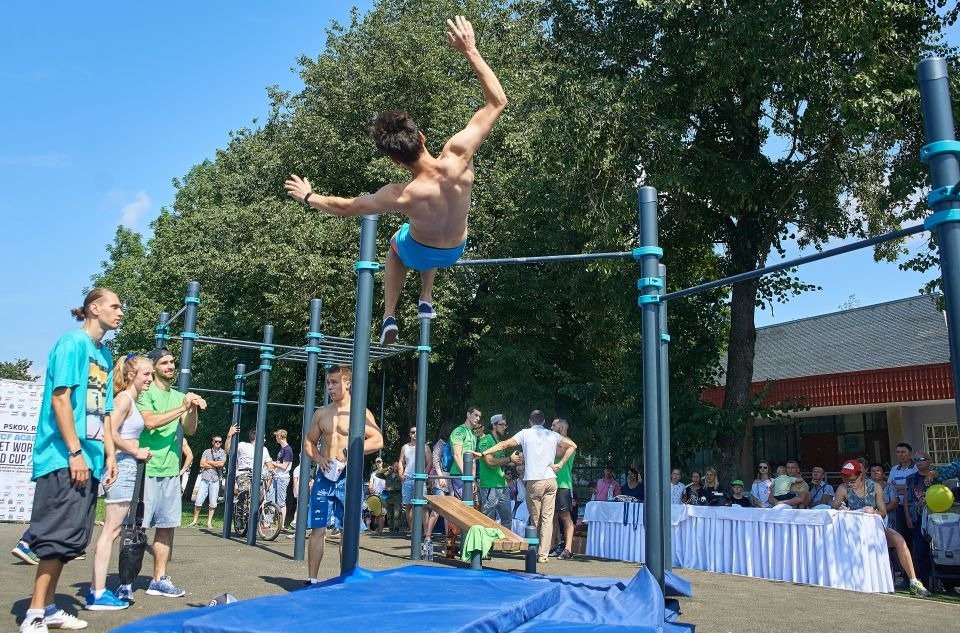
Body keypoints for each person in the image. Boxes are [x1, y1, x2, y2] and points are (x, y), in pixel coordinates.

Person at [284, 15, 508, 345]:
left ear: (395, 160)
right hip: (455, 250)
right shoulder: (460, 154)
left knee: (398, 243)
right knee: (421, 233)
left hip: (420, 252)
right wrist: (470, 51)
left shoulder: (401, 194)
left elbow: (346, 207)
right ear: (423, 137)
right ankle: (425, 297)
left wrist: (308, 196)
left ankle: (389, 314)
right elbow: (498, 101)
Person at [20, 288, 122, 633]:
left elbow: (105, 411)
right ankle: (35, 613)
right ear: (94, 308)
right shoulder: (72, 344)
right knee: (55, 538)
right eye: (114, 306)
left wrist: (110, 454)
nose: (120, 312)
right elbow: (60, 399)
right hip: (63, 457)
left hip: (90, 459)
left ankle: (48, 608)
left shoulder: (104, 354)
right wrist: (74, 452)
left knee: (71, 539)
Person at [135, 347, 207, 599]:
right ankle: (125, 579)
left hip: (169, 470)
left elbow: (190, 429)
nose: (170, 366)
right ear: (154, 368)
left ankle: (159, 579)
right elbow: (149, 422)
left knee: (166, 527)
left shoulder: (178, 396)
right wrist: (182, 407)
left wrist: (192, 407)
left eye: (172, 362)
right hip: (146, 468)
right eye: (164, 363)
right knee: (136, 528)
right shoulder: (145, 392)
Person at [87, 354, 155, 611]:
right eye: (146, 374)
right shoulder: (124, 399)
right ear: (130, 375)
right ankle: (97, 592)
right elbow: (109, 432)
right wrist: (135, 450)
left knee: (114, 530)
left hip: (128, 465)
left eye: (151, 374)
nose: (150, 379)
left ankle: (98, 591)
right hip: (122, 466)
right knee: (111, 531)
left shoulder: (131, 400)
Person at [304, 365, 383, 584]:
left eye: (334, 382)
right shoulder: (322, 413)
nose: (330, 387)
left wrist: (349, 451)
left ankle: (345, 580)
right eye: (328, 383)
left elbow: (378, 440)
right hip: (325, 476)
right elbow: (309, 442)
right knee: (317, 527)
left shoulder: (360, 413)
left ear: (347, 384)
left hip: (349, 477)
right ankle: (312, 580)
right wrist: (318, 458)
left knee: (348, 530)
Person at [476, 410, 576, 564]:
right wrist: (561, 464)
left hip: (534, 481)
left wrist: (483, 453)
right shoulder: (551, 435)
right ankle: (543, 555)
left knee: (535, 519)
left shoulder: (525, 433)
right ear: (543, 422)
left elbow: (504, 444)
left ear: (530, 421)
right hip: (551, 480)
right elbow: (573, 445)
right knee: (548, 519)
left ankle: (534, 551)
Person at [833, 459, 931, 597]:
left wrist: (873, 511)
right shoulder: (843, 488)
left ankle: (913, 581)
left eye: (852, 478)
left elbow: (883, 512)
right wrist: (841, 507)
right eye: (846, 477)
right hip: (852, 531)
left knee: (899, 540)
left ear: (860, 475)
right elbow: (835, 507)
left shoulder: (874, 487)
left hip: (874, 528)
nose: (849, 481)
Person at [478, 414, 516, 531]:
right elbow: (490, 462)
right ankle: (487, 542)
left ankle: (505, 542)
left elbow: (499, 463)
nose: (504, 427)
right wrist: (509, 459)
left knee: (507, 519)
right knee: (488, 519)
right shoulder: (485, 441)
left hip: (502, 485)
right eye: (501, 425)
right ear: (494, 425)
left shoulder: (500, 442)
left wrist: (512, 463)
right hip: (490, 485)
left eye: (505, 425)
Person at [549, 418, 576, 560]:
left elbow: (559, 453)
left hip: (563, 485)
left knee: (565, 517)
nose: (551, 427)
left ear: (562, 428)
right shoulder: (554, 442)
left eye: (554, 425)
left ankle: (568, 549)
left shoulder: (567, 442)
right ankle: (552, 546)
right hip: (551, 483)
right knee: (551, 516)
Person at [189, 435, 227, 529]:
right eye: (216, 441)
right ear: (213, 442)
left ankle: (209, 522)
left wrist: (208, 462)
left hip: (215, 479)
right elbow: (202, 464)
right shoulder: (206, 451)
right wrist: (214, 464)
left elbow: (221, 464)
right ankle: (195, 520)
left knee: (213, 502)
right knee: (199, 500)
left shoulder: (223, 452)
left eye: (220, 442)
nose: (218, 443)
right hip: (205, 478)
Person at [889, 442, 917, 534]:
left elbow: (916, 488)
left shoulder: (916, 468)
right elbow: (890, 488)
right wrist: (907, 488)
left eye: (903, 452)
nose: (900, 455)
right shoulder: (894, 469)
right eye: (898, 452)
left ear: (910, 453)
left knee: (916, 535)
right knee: (902, 535)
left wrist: (898, 487)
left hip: (914, 507)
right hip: (899, 508)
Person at [269, 429, 294, 531]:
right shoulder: (282, 449)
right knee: (271, 498)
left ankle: (281, 525)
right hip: (277, 476)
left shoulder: (287, 450)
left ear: (280, 437)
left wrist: (273, 463)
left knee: (281, 501)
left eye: (276, 437)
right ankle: (268, 522)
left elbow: (284, 466)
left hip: (283, 478)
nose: (276, 439)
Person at [367, 457, 387, 533]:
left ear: (382, 462)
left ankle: (380, 530)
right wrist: (370, 488)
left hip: (384, 495)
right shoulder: (373, 474)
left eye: (379, 462)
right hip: (375, 495)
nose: (378, 463)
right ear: (375, 463)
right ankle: (378, 529)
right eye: (377, 462)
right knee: (377, 513)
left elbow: (389, 482)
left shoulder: (386, 472)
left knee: (382, 513)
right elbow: (371, 483)